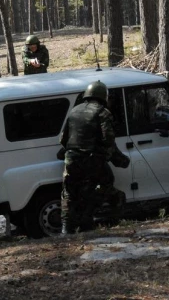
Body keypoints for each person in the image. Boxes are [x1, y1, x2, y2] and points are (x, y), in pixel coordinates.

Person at [59, 80, 130, 234]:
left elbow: (63, 140)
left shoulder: (74, 111)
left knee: (68, 194)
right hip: (92, 160)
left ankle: (66, 229)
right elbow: (108, 141)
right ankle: (95, 221)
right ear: (103, 96)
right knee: (105, 185)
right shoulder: (102, 112)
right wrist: (121, 160)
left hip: (71, 160)